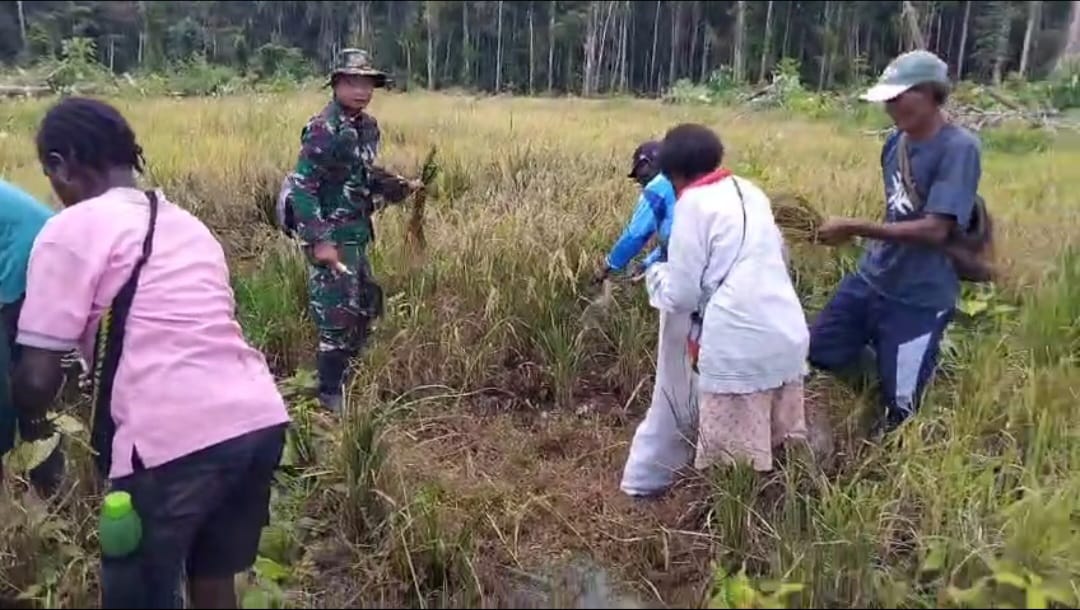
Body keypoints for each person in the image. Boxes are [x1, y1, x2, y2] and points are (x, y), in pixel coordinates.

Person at [13, 96, 290, 609]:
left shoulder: (68, 230)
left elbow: (35, 381)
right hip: (256, 422)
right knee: (212, 581)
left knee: (135, 593)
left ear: (60, 163)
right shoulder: (186, 223)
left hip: (170, 440)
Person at [810, 50, 986, 434]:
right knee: (821, 347)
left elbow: (935, 229)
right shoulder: (895, 144)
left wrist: (856, 227)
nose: (891, 108)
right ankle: (880, 385)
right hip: (874, 277)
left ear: (929, 93)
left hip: (920, 295)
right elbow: (898, 213)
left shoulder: (960, 148)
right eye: (887, 100)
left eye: (898, 98)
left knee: (902, 411)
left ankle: (892, 424)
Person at [645, 123, 810, 475]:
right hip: (788, 335)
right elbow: (780, 256)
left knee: (734, 470)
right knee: (779, 449)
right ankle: (788, 512)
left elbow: (682, 294)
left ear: (673, 172)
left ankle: (734, 527)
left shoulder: (692, 204)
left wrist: (655, 275)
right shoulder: (751, 191)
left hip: (739, 349)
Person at [286, 48, 422, 413]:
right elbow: (304, 186)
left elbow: (360, 175)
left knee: (363, 306)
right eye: (353, 82)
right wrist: (320, 241)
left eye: (367, 83)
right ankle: (330, 392)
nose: (362, 90)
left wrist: (398, 186)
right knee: (335, 313)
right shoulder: (323, 128)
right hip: (332, 236)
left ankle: (348, 377)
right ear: (337, 85)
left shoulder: (366, 126)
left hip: (358, 233)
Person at [595, 142, 694, 497]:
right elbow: (675, 237)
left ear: (650, 164)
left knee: (676, 375)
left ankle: (650, 479)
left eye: (640, 175)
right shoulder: (695, 187)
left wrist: (610, 264)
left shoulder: (659, 186)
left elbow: (637, 233)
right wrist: (650, 265)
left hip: (690, 292)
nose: (640, 184)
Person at [0, 178, 67, 496]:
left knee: (15, 378)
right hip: (40, 251)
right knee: (27, 374)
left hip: (27, 258)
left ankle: (39, 482)